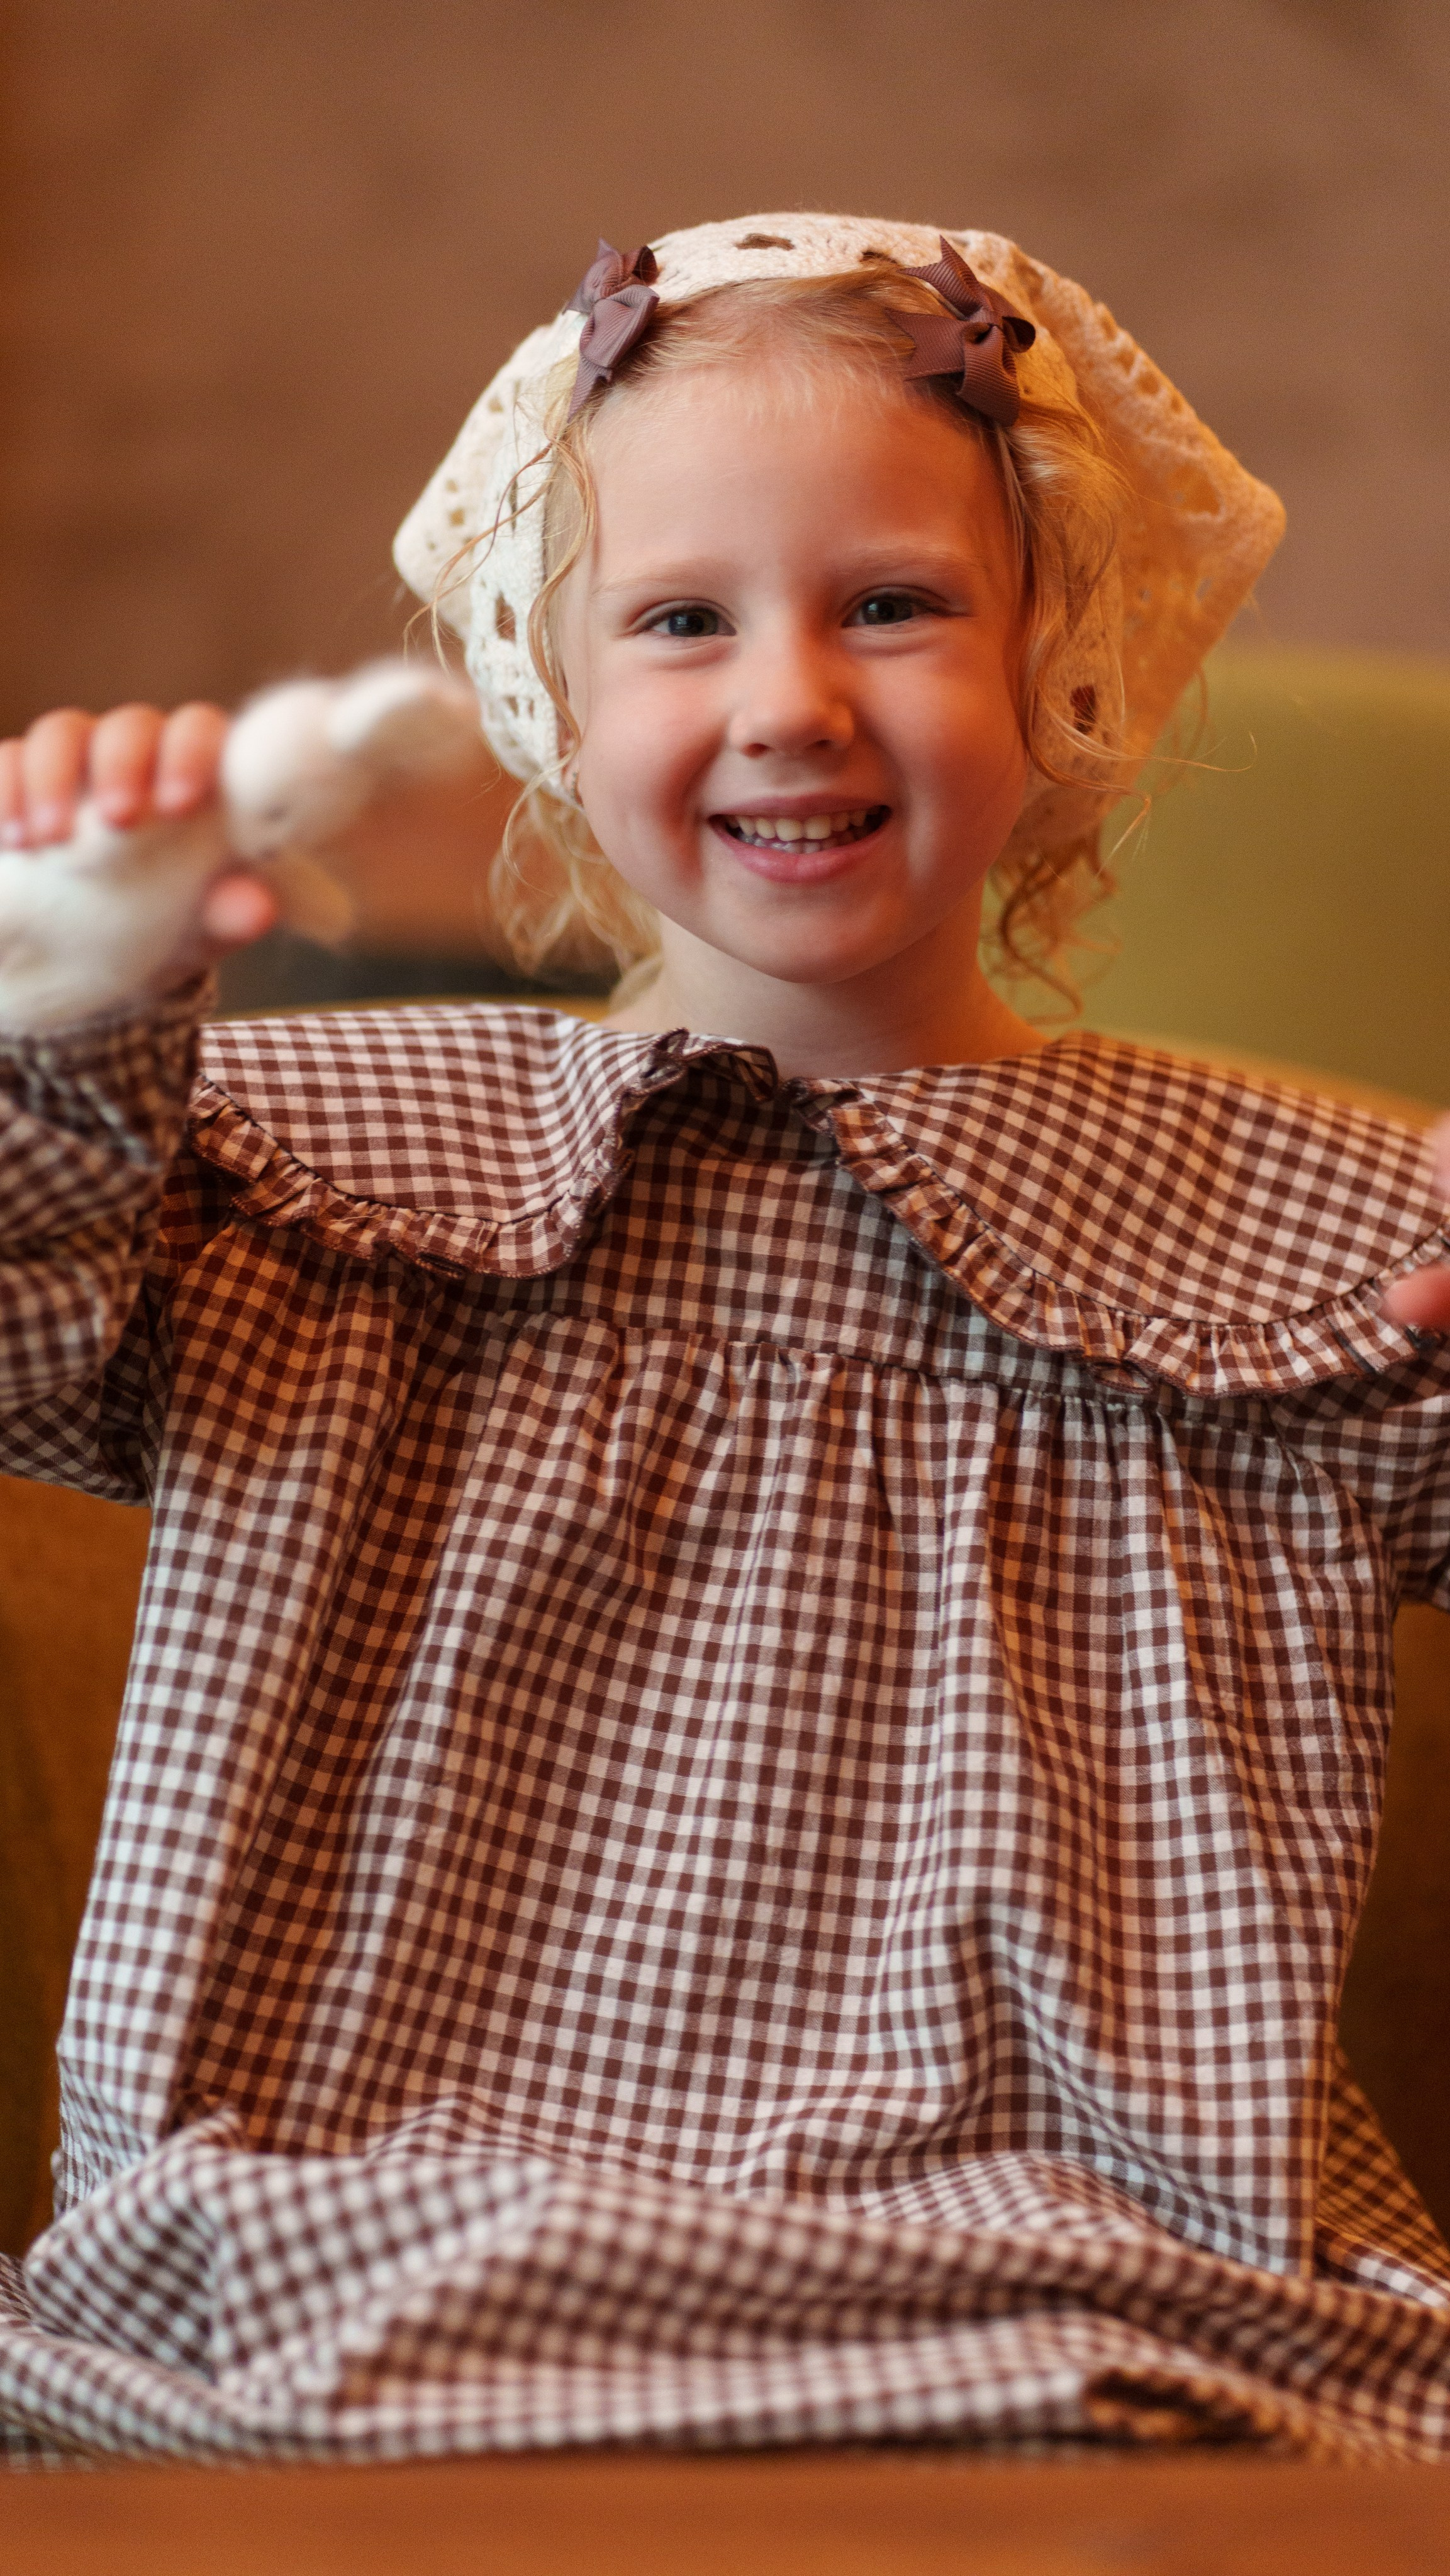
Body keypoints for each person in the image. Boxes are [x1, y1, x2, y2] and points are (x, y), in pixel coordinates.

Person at [1, 212, 1448, 2464]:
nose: (789, 698)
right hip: (357, 2243)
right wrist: (60, 1010)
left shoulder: (1297, 1239)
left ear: (1059, 663)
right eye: (682, 620)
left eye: (891, 605)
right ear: (552, 697)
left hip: (1098, 2270)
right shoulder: (307, 1167)